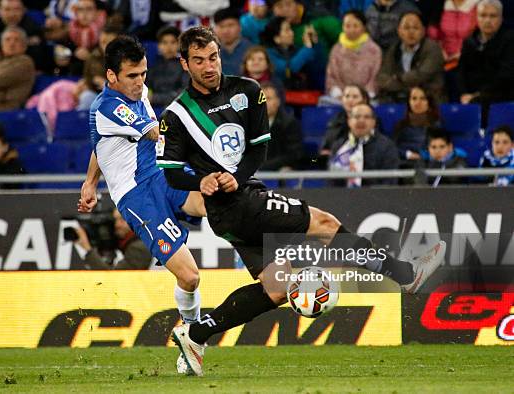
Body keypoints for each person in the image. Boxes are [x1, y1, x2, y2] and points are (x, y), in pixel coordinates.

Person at [157, 27, 445, 376]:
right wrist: (199, 180)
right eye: (199, 60)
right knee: (323, 223)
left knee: (277, 287)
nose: (209, 66)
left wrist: (238, 175)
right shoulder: (177, 115)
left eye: (214, 57)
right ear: (184, 63)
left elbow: (259, 145)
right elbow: (170, 171)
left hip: (243, 198)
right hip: (233, 205)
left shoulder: (247, 91)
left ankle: (196, 333)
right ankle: (405, 274)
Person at [77, 36, 207, 348]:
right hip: (137, 195)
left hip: (161, 174)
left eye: (144, 74)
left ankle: (264, 261)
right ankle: (192, 337)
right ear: (112, 76)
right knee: (190, 277)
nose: (140, 82)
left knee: (216, 195)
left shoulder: (138, 92)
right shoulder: (108, 107)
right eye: (132, 76)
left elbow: (102, 145)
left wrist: (91, 182)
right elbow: (152, 132)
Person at [458, 0, 514, 123]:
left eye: (493, 16)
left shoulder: (510, 40)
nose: (487, 20)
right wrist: (463, 94)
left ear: (501, 18)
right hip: (472, 98)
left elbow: (506, 75)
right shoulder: (469, 41)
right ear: (476, 18)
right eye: (483, 15)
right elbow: (461, 71)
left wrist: (479, 95)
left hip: (500, 97)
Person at [376, 11, 445, 103]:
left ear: (423, 31)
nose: (411, 32)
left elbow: (421, 75)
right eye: (406, 28)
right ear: (399, 31)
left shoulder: (433, 49)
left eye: (416, 28)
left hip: (428, 98)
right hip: (399, 97)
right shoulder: (394, 49)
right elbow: (382, 77)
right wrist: (402, 84)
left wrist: (398, 78)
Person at [329, 103, 400, 186]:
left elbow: (390, 181)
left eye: (366, 117)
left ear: (374, 122)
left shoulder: (387, 146)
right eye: (357, 116)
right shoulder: (339, 146)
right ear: (349, 121)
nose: (361, 121)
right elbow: (332, 181)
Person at [324, 10, 382, 105]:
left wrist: (364, 96)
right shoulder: (336, 49)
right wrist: (343, 96)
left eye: (355, 26)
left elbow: (375, 77)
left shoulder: (374, 50)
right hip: (341, 98)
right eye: (347, 26)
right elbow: (331, 78)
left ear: (363, 27)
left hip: (367, 98)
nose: (351, 30)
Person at [0, 0, 52, 73]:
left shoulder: (33, 29)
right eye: (7, 9)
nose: (12, 14)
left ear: (24, 11)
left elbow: (39, 61)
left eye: (16, 9)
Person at [261, 16, 316, 89]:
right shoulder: (268, 55)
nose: (292, 33)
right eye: (287, 30)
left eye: (291, 29)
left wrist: (315, 43)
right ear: (277, 38)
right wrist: (307, 47)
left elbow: (316, 68)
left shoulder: (296, 49)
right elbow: (290, 69)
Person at [393, 86, 441, 164]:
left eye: (422, 98)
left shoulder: (436, 125)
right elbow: (392, 148)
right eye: (414, 98)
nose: (418, 103)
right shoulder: (400, 125)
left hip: (429, 164)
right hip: (404, 165)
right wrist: (408, 154)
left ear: (429, 102)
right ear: (409, 102)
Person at [320, 84, 372, 155]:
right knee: (313, 161)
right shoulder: (335, 120)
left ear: (364, 100)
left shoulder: (372, 120)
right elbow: (326, 146)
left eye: (355, 97)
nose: (350, 100)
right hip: (335, 160)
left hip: (365, 160)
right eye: (347, 96)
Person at [146, 26, 189, 107]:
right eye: (164, 42)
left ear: (179, 45)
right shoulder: (154, 65)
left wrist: (154, 98)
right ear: (158, 46)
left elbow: (184, 93)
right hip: (153, 109)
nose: (169, 46)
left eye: (173, 42)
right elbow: (146, 87)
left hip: (177, 108)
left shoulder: (184, 65)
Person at [213, 7, 253, 76]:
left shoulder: (251, 49)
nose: (225, 31)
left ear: (240, 26)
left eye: (230, 25)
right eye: (221, 26)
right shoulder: (210, 51)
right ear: (215, 29)